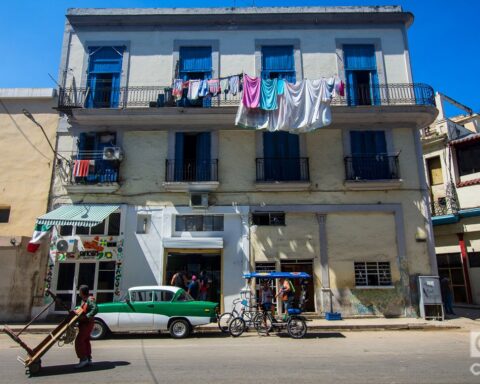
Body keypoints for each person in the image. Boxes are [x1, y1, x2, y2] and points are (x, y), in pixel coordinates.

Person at [75, 285, 98, 369]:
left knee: (79, 341)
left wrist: (86, 316)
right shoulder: (84, 300)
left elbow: (95, 309)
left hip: (87, 324)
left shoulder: (90, 299)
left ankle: (83, 359)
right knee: (85, 340)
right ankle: (88, 359)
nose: (78, 293)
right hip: (84, 324)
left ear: (82, 292)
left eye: (79, 291)